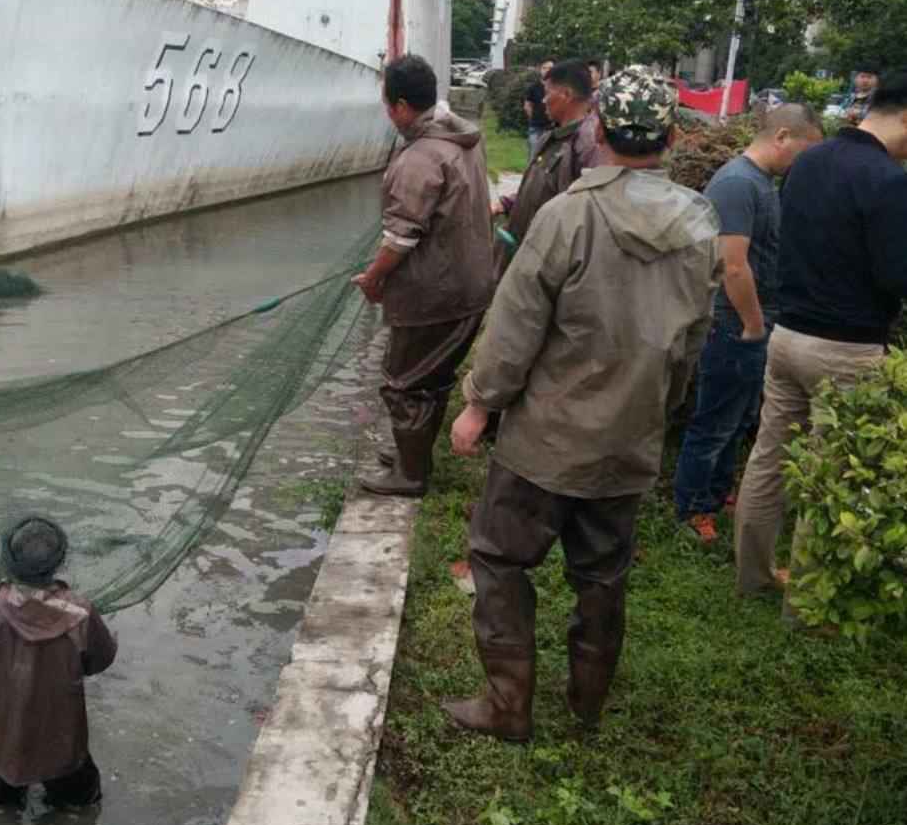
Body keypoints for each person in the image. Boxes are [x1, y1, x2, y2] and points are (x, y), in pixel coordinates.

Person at [442, 67, 720, 741]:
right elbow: (688, 345)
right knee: (602, 575)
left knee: (501, 559)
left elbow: (515, 329)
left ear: (599, 127)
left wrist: (479, 404)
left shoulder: (568, 214)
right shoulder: (699, 226)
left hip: (547, 441)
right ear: (674, 136)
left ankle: (509, 706)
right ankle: (586, 707)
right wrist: (659, 409)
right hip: (629, 439)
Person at [735, 72, 907, 605]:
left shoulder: (809, 161)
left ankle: (753, 578)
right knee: (827, 475)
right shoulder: (888, 180)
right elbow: (894, 275)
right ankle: (807, 606)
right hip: (848, 348)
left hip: (788, 335)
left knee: (769, 458)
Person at [673, 105, 823, 543]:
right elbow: (732, 265)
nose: (803, 162)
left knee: (737, 419)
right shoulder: (738, 183)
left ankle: (715, 495)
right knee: (715, 420)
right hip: (733, 323)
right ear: (781, 135)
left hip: (751, 323)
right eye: (804, 150)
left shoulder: (761, 182)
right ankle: (692, 508)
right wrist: (755, 325)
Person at [352, 54, 493, 497]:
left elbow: (401, 237)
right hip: (470, 286)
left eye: (386, 103)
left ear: (398, 105)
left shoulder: (420, 157)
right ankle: (410, 453)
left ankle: (410, 476)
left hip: (436, 295)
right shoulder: (461, 138)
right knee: (431, 377)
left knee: (404, 380)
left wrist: (373, 278)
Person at [0, 516, 118, 808]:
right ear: (58, 563)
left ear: (8, 561)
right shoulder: (80, 612)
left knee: (3, 809)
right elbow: (100, 660)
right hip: (62, 740)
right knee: (80, 806)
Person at [494, 60, 605, 286]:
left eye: (547, 92)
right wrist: (506, 204)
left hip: (548, 267)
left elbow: (588, 216)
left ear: (565, 94)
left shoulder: (588, 143)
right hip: (524, 254)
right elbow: (540, 185)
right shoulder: (554, 136)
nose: (543, 100)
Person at [523, 61, 553, 159]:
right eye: (544, 68)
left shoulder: (559, 87)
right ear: (540, 70)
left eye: (550, 68)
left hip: (553, 128)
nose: (547, 70)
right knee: (534, 156)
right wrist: (533, 117)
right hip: (536, 127)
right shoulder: (533, 87)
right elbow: (527, 105)